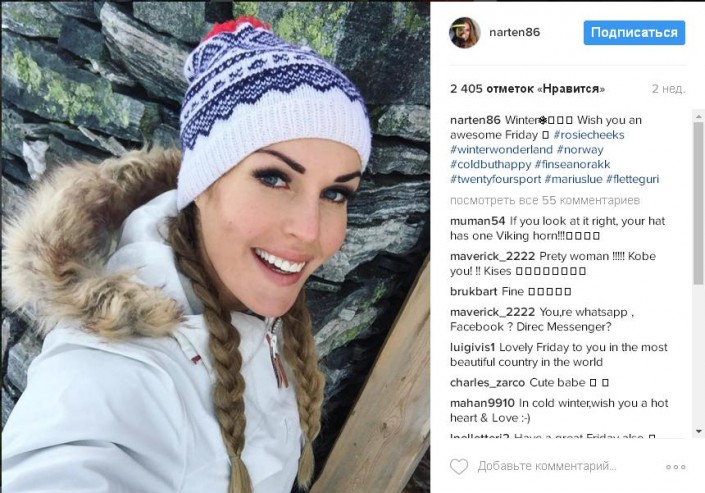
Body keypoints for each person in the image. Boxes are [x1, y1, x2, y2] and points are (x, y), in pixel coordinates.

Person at [1, 16, 371, 493]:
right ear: (201, 184)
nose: (309, 231)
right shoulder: (114, 373)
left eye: (336, 193)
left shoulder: (242, 286)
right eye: (274, 178)